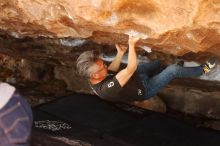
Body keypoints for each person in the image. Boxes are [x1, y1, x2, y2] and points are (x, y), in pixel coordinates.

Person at [76, 36, 217, 104]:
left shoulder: (94, 76)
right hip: (144, 89)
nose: (106, 66)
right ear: (95, 75)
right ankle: (202, 70)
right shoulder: (106, 89)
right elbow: (130, 68)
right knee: (173, 70)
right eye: (103, 66)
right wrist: (132, 45)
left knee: (158, 63)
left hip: (136, 77)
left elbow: (112, 70)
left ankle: (177, 69)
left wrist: (119, 54)